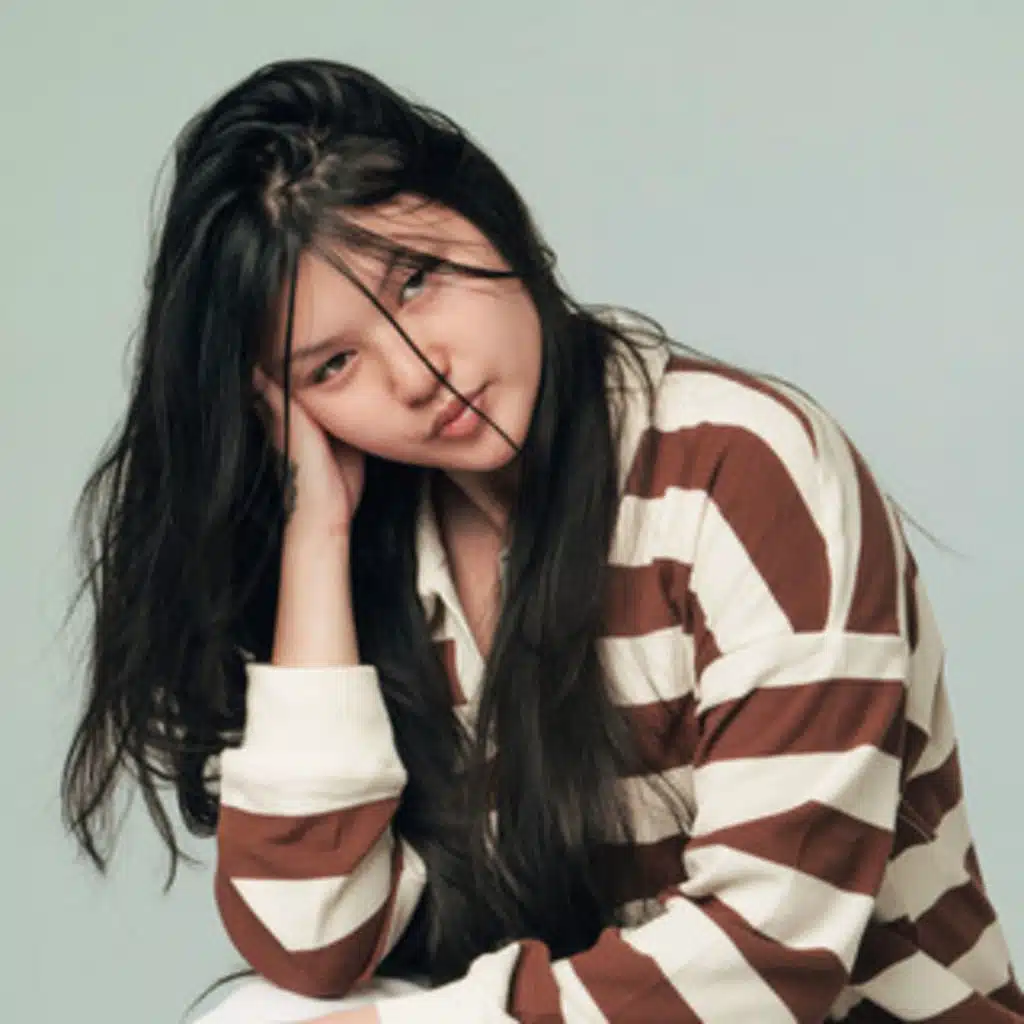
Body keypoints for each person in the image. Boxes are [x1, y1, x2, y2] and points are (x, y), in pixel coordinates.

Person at [61, 57, 1023, 1024]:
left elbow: (768, 960)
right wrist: (316, 535)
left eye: (419, 279)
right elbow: (310, 943)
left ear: (490, 213)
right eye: (335, 364)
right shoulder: (382, 556)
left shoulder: (740, 472)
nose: (416, 374)